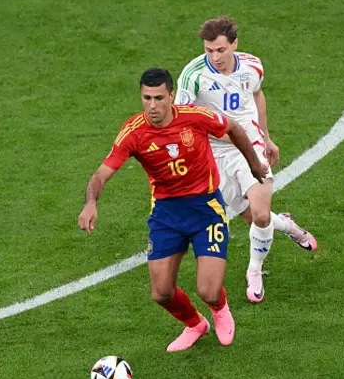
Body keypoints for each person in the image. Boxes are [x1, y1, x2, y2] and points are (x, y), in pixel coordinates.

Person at [78, 68, 267, 351]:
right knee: (162, 293)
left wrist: (253, 164)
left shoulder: (195, 117)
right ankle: (196, 324)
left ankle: (219, 309)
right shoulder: (134, 132)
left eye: (158, 98)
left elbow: (233, 128)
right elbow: (100, 175)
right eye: (146, 98)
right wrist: (91, 202)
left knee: (209, 290)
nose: (152, 106)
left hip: (206, 209)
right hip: (167, 214)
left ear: (172, 96)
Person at [175, 16, 317, 304]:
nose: (214, 57)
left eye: (220, 50)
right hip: (213, 152)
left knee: (261, 215)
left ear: (234, 45)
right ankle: (288, 226)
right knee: (250, 216)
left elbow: (257, 94)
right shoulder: (193, 75)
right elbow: (183, 121)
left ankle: (254, 270)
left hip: (249, 146)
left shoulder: (252, 65)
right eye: (208, 50)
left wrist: (265, 137)